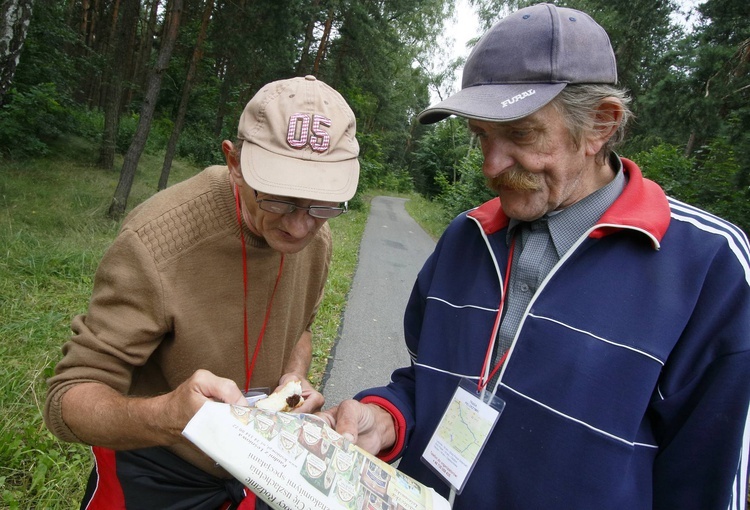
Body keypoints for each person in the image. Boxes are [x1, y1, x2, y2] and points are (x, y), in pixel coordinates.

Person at [319, 4, 750, 509]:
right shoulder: (467, 237)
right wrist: (387, 418)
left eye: (520, 134)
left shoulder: (708, 268)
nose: (491, 165)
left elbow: (711, 484)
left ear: (600, 125)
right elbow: (431, 385)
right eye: (482, 135)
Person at [44, 75, 360, 509]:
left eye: (322, 204)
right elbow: (68, 398)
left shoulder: (316, 241)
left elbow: (299, 326)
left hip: (258, 469)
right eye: (279, 199)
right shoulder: (157, 242)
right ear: (234, 162)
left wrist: (294, 374)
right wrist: (167, 416)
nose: (299, 226)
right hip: (158, 472)